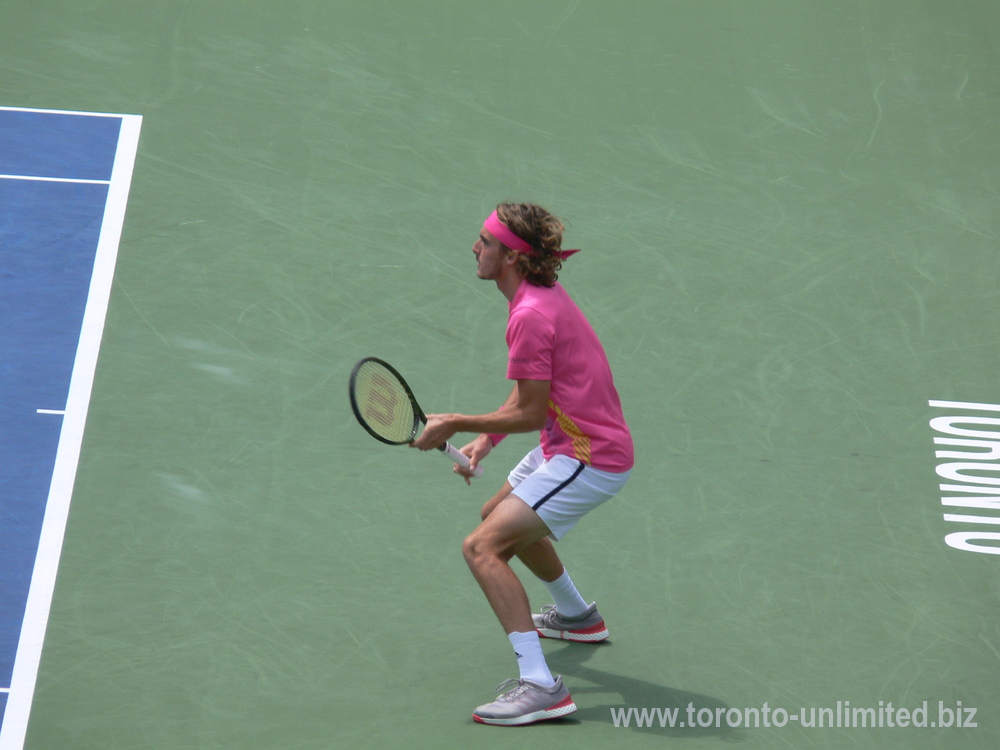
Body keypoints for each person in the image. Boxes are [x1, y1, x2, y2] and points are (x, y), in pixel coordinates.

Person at [410, 202, 634, 726]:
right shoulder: (537, 298)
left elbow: (530, 409)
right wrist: (486, 440)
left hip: (589, 455)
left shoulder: (530, 314)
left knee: (482, 548)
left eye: (484, 241)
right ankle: (578, 617)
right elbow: (531, 394)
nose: (474, 248)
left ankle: (541, 686)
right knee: (498, 516)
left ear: (511, 258)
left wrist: (455, 424)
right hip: (571, 438)